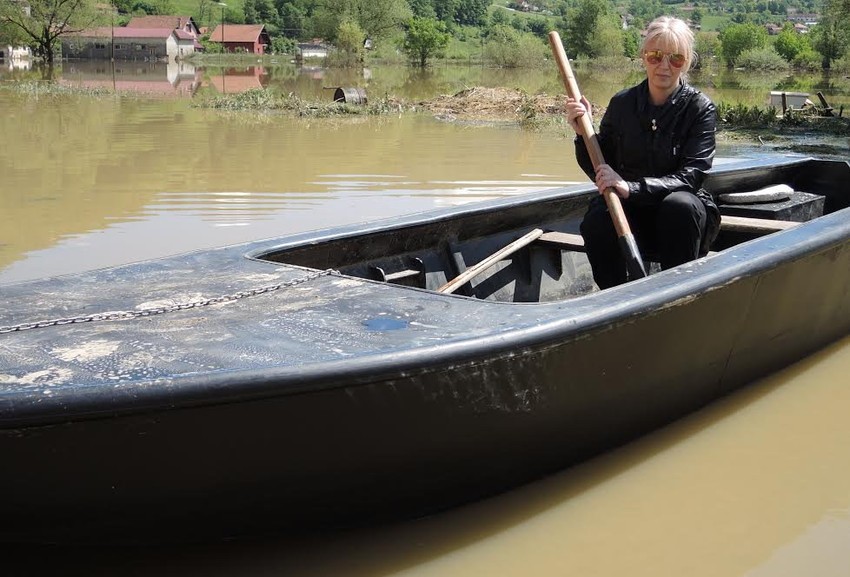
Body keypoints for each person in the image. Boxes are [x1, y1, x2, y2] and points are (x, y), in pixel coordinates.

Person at [566, 15, 720, 289]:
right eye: (655, 56)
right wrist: (583, 135)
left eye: (676, 58)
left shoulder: (700, 109)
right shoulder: (622, 103)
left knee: (679, 205)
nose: (664, 66)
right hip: (631, 215)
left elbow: (692, 176)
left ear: (687, 62)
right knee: (597, 219)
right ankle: (613, 299)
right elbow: (602, 170)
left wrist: (631, 187)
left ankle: (678, 294)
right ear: (643, 57)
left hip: (681, 222)